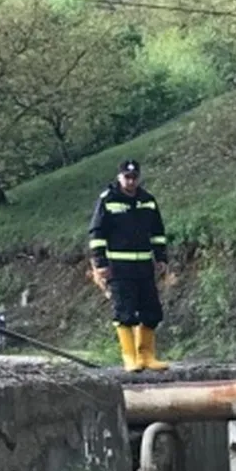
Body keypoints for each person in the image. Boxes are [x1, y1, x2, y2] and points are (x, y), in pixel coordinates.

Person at [88, 159, 169, 372]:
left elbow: (158, 232)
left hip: (143, 266)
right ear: (119, 177)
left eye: (134, 177)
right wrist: (100, 262)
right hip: (119, 266)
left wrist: (161, 258)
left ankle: (147, 356)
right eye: (127, 177)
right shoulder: (108, 200)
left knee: (151, 311)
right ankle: (129, 357)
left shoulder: (148, 200)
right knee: (124, 312)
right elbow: (97, 233)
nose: (131, 181)